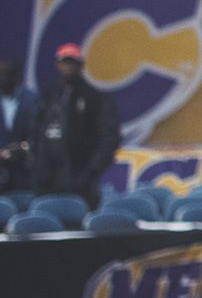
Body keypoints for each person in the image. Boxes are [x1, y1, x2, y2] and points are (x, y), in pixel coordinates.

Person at [30, 43, 121, 209]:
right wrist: (38, 166)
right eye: (65, 63)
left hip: (82, 177)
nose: (68, 67)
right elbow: (34, 133)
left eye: (73, 63)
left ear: (81, 65)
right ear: (58, 65)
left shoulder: (94, 98)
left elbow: (109, 137)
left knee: (81, 222)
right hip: (48, 178)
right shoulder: (48, 98)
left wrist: (92, 169)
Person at [0, 57, 37, 195]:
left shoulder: (33, 99)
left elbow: (39, 134)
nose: (2, 78)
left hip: (24, 172)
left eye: (6, 73)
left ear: (16, 76)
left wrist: (22, 148)